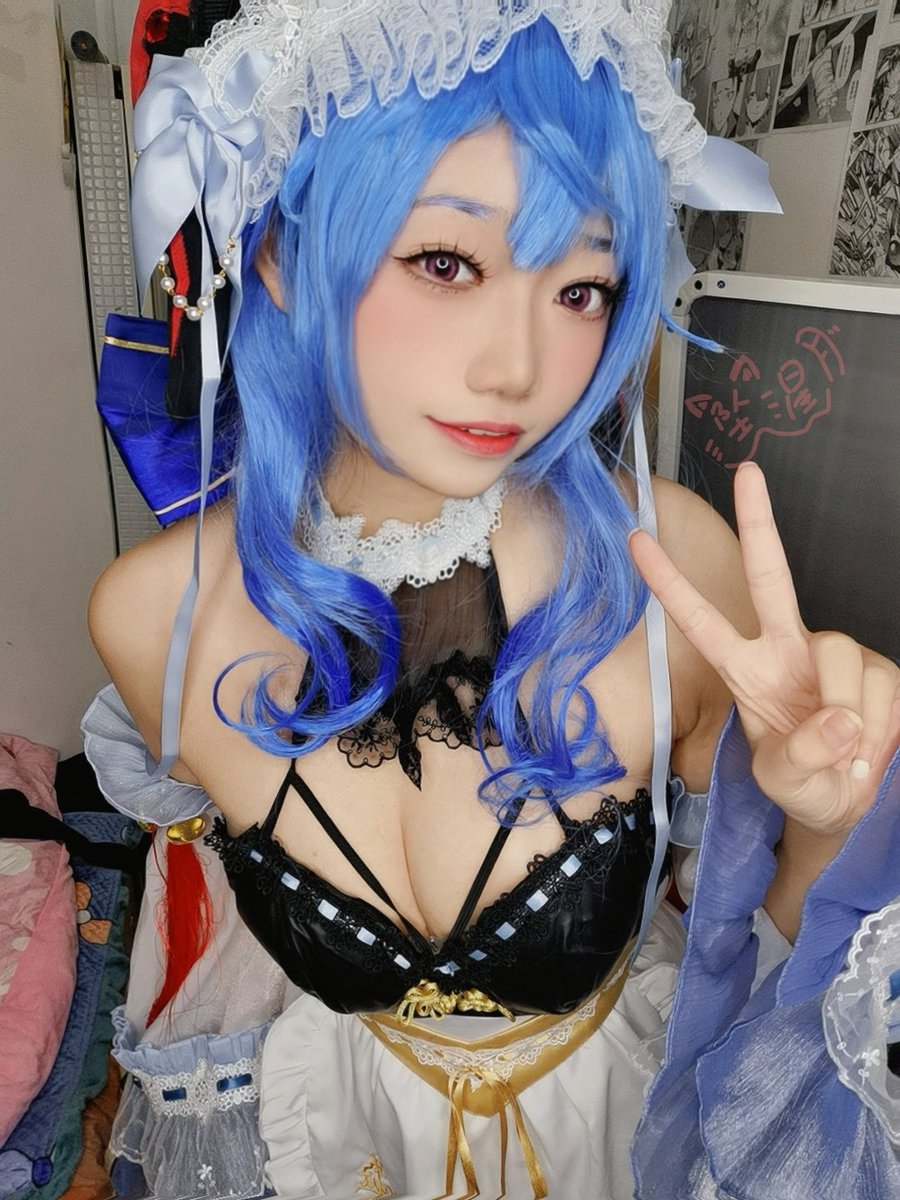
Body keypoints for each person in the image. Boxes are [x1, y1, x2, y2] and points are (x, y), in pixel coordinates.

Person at [83, 2, 900, 1198]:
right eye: (446, 262)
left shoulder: (669, 567)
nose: (520, 368)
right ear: (279, 258)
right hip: (352, 1146)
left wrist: (835, 818)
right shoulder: (153, 615)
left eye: (583, 288)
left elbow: (757, 955)